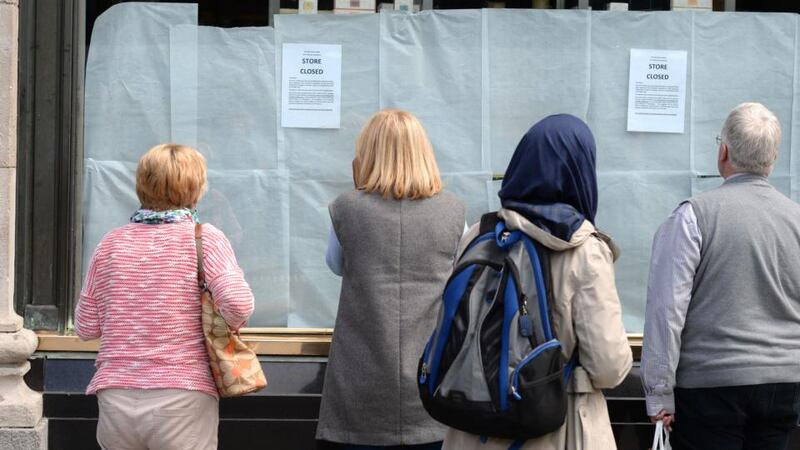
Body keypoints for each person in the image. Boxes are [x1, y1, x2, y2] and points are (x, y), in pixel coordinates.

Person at [442, 114, 632, 450]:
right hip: (555, 428)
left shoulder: (481, 234)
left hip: (473, 428)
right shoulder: (584, 249)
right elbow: (608, 367)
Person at [641, 102, 800, 450]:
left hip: (710, 386)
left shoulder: (693, 216)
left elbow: (666, 311)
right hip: (783, 384)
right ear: (772, 159)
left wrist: (659, 393)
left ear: (723, 151)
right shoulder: (796, 218)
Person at [75, 143, 255, 450]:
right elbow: (239, 304)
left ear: (142, 185)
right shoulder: (205, 239)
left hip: (116, 396)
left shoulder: (110, 244)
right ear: (196, 188)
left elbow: (86, 327)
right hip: (182, 395)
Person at [317, 109, 466, 449]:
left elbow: (336, 265)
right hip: (432, 386)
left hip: (359, 388)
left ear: (367, 154)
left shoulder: (346, 208)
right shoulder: (455, 211)